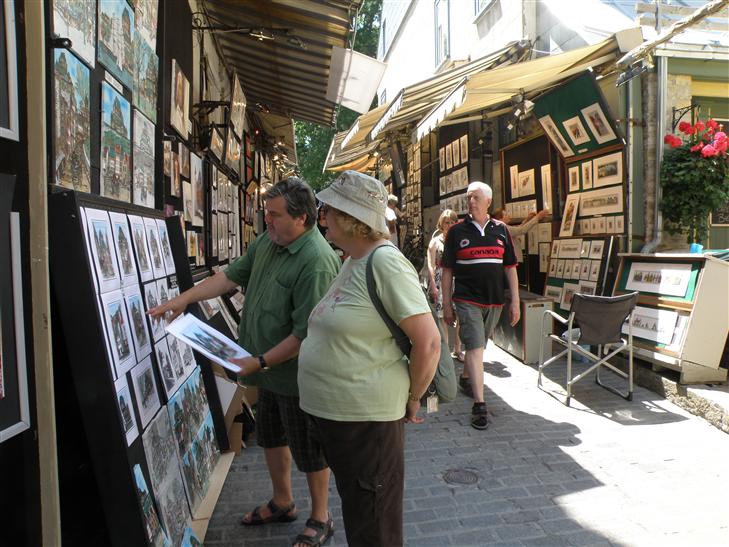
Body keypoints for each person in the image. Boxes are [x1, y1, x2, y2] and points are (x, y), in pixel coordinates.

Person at [148, 178, 340, 547]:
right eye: (265, 214)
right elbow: (228, 278)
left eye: (274, 215)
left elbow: (305, 335)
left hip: (295, 377)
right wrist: (181, 300)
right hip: (264, 370)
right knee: (271, 437)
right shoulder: (271, 241)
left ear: (301, 218)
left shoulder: (317, 262)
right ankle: (283, 501)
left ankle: (321, 516)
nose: (266, 221)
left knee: (309, 450)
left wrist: (260, 362)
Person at [298, 170, 440, 546]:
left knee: (374, 528)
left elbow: (428, 342)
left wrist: (413, 399)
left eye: (326, 209)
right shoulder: (353, 260)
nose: (321, 216)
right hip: (345, 420)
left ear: (350, 217)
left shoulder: (385, 262)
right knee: (362, 519)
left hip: (367, 423)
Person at [441, 181, 520, 430]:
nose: (470, 202)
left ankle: (466, 377)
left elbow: (510, 268)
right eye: (468, 198)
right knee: (475, 348)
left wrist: (515, 302)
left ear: (488, 201)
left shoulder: (501, 230)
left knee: (479, 345)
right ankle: (479, 404)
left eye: (475, 197)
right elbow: (447, 272)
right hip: (466, 300)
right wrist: (446, 303)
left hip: (494, 300)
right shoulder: (456, 232)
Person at [426, 209, 464, 361]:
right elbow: (430, 264)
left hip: (457, 279)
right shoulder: (435, 241)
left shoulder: (459, 240)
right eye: (446, 222)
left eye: (452, 222)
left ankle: (458, 349)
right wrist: (433, 285)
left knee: (460, 314)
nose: (449, 225)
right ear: (441, 224)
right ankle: (446, 349)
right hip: (441, 280)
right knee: (442, 317)